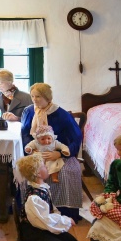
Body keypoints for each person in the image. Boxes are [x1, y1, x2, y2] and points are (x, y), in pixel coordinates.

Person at [16, 153, 99, 241]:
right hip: (32, 233)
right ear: (37, 173)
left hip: (40, 227)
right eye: (43, 166)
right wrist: (64, 221)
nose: (47, 167)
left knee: (67, 238)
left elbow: (51, 210)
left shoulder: (41, 187)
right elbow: (45, 221)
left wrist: (61, 220)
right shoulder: (34, 198)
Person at [20, 83, 83, 222]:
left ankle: (65, 212)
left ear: (48, 98)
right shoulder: (29, 111)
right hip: (35, 152)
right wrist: (31, 150)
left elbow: (77, 137)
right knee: (27, 170)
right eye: (32, 96)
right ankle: (32, 210)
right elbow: (24, 134)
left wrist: (59, 153)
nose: (34, 100)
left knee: (68, 172)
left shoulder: (62, 114)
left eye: (38, 97)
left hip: (57, 151)